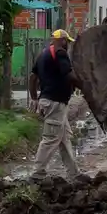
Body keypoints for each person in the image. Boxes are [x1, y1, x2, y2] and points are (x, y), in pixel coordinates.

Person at [28, 29, 79, 179]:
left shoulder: (43, 54)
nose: (68, 45)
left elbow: (32, 77)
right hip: (55, 103)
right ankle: (37, 174)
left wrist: (34, 98)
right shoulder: (60, 53)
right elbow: (69, 75)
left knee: (63, 139)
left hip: (50, 102)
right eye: (68, 42)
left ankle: (74, 173)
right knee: (50, 139)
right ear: (63, 40)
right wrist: (86, 88)